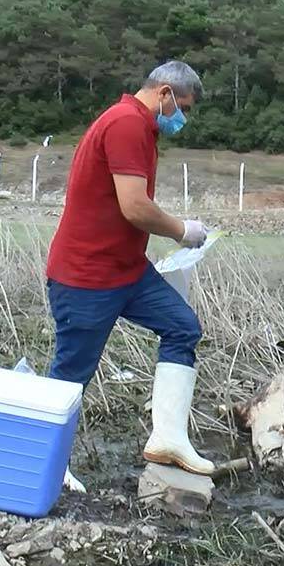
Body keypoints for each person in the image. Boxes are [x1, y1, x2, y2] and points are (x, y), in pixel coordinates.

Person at [46, 60, 215, 475]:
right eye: (184, 107)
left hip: (126, 270)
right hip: (86, 276)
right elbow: (135, 206)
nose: (183, 117)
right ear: (164, 94)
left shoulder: (139, 125)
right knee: (71, 375)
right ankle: (46, 464)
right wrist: (181, 230)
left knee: (182, 327)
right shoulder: (127, 123)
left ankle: (168, 439)